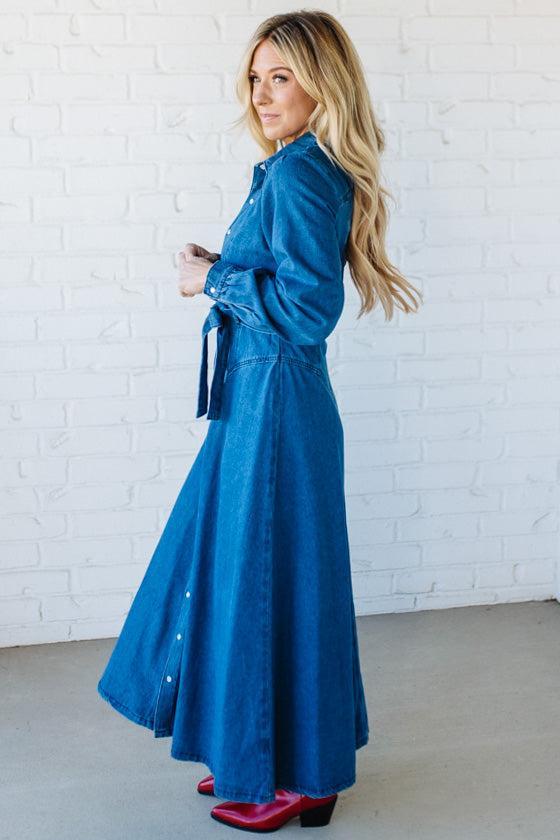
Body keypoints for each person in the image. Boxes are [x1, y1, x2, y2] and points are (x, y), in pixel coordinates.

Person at [96, 9, 422, 834]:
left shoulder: (299, 175)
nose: (262, 91)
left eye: (281, 76)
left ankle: (284, 776)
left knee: (262, 580)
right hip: (265, 401)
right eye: (255, 76)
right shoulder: (293, 168)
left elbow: (308, 312)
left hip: (274, 403)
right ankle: (278, 760)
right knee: (268, 577)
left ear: (323, 85)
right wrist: (227, 269)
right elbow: (289, 288)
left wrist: (208, 279)